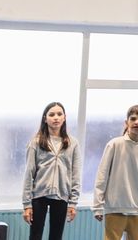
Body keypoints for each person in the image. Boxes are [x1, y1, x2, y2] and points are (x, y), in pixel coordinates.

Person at [93, 104, 138, 240]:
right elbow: (102, 176)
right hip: (114, 209)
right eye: (133, 118)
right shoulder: (114, 145)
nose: (137, 122)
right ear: (126, 122)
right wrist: (97, 205)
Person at [22, 102, 82, 240]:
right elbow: (29, 173)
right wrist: (26, 204)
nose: (56, 117)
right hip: (39, 195)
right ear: (45, 118)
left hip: (62, 195)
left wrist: (73, 202)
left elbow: (76, 174)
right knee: (35, 235)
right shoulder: (35, 142)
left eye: (59, 114)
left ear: (64, 117)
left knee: (56, 236)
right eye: (52, 114)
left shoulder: (73, 143)